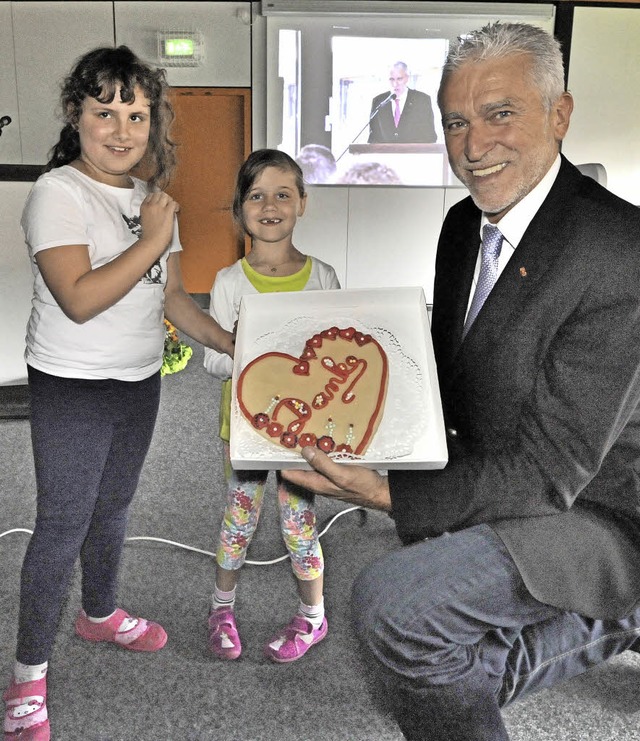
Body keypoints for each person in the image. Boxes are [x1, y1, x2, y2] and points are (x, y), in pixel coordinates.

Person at [282, 22, 640, 741]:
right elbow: (450, 378)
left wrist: (382, 490)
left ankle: (621, 610)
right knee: (443, 664)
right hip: (501, 478)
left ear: (559, 114)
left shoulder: (619, 250)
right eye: (454, 122)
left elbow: (548, 474)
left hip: (598, 512)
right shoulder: (460, 227)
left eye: (500, 113)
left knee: (393, 603)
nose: (473, 147)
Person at [3, 46, 234, 741]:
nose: (123, 128)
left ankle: (98, 613)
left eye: (137, 113)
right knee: (61, 523)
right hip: (72, 383)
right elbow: (78, 297)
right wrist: (154, 235)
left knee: (115, 506)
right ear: (77, 115)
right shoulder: (57, 193)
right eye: (106, 111)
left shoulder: (149, 200)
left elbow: (172, 300)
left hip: (137, 381)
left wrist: (229, 339)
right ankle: (25, 680)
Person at [203, 149, 341, 663]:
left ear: (302, 203)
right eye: (256, 195)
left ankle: (312, 617)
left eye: (283, 194)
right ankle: (221, 607)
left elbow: (335, 358)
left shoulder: (323, 276)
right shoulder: (228, 282)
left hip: (303, 435)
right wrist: (241, 351)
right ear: (240, 209)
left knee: (297, 523)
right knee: (239, 516)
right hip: (244, 428)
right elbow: (211, 364)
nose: (270, 205)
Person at [368, 61, 437, 144]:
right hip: (385, 155)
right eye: (391, 79)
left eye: (399, 79)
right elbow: (373, 137)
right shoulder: (379, 101)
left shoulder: (421, 100)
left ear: (407, 78)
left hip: (414, 155)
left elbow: (430, 136)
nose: (395, 84)